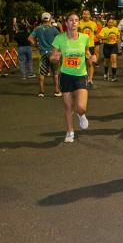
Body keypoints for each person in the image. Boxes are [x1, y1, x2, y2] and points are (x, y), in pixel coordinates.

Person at [50, 12, 96, 143]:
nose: (74, 22)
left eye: (76, 20)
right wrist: (54, 58)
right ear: (66, 23)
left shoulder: (85, 37)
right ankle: (70, 131)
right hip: (66, 75)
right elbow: (53, 57)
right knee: (68, 107)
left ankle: (81, 115)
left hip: (81, 75)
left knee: (81, 107)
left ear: (79, 23)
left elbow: (87, 52)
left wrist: (91, 57)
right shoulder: (59, 38)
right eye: (71, 20)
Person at [29, 12, 61, 97]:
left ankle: (41, 92)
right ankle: (56, 91)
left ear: (42, 19)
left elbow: (30, 38)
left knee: (42, 73)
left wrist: (36, 45)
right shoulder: (53, 29)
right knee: (55, 73)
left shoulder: (37, 28)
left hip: (42, 52)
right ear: (50, 19)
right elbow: (60, 38)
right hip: (53, 52)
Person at [78, 9, 99, 89]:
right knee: (80, 64)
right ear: (82, 15)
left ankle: (90, 80)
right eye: (84, 14)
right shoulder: (79, 23)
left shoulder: (93, 24)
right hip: (80, 46)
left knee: (90, 63)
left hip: (90, 46)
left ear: (90, 15)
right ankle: (81, 79)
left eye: (87, 14)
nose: (86, 15)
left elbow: (97, 32)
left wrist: (94, 37)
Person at [98, 17, 121, 81]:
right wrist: (106, 38)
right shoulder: (104, 29)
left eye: (112, 22)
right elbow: (100, 36)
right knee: (106, 61)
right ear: (107, 22)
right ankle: (105, 73)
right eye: (109, 22)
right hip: (106, 45)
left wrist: (117, 39)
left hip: (114, 45)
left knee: (114, 60)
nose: (111, 23)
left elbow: (118, 36)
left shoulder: (116, 29)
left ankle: (114, 76)